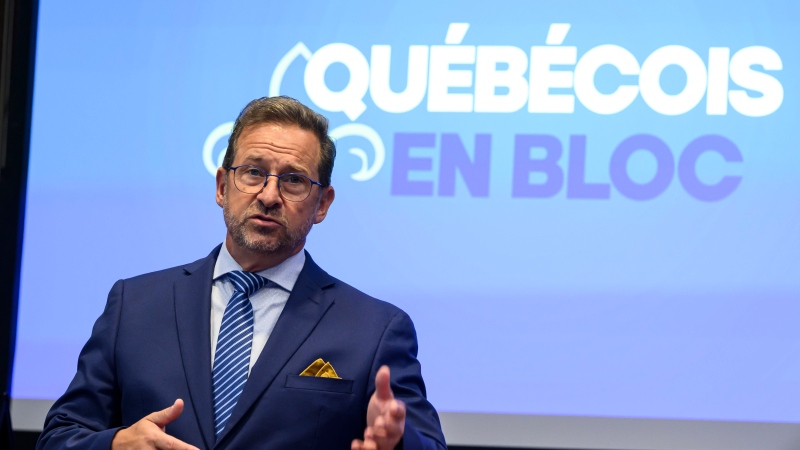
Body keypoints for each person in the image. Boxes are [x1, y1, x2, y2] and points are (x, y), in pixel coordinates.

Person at [37, 96, 447, 450]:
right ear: (221, 186)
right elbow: (59, 436)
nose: (269, 196)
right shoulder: (135, 305)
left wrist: (396, 441)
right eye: (253, 172)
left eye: (293, 180)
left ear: (322, 204)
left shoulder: (374, 329)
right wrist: (115, 443)